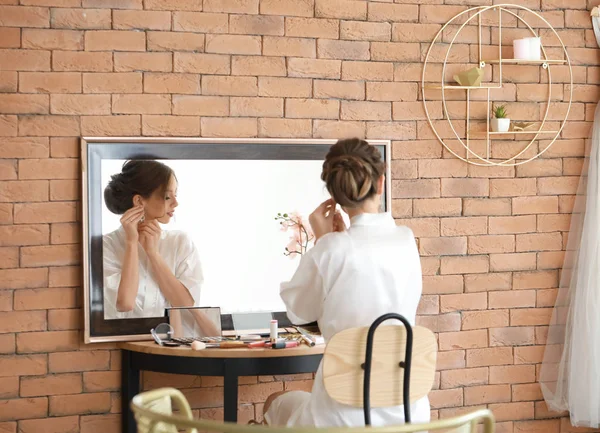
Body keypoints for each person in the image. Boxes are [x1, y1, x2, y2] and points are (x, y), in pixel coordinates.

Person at [262, 138, 429, 427]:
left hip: (339, 419)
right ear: (381, 183)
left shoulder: (332, 249)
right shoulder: (406, 240)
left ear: (335, 195)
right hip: (407, 414)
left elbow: (298, 312)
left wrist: (324, 241)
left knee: (274, 401)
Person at [102, 160, 219, 337]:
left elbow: (186, 304)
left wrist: (153, 253)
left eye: (176, 195)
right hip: (123, 346)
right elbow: (125, 303)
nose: (176, 203)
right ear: (139, 201)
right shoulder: (107, 244)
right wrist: (132, 243)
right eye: (167, 196)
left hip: (174, 347)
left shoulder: (179, 242)